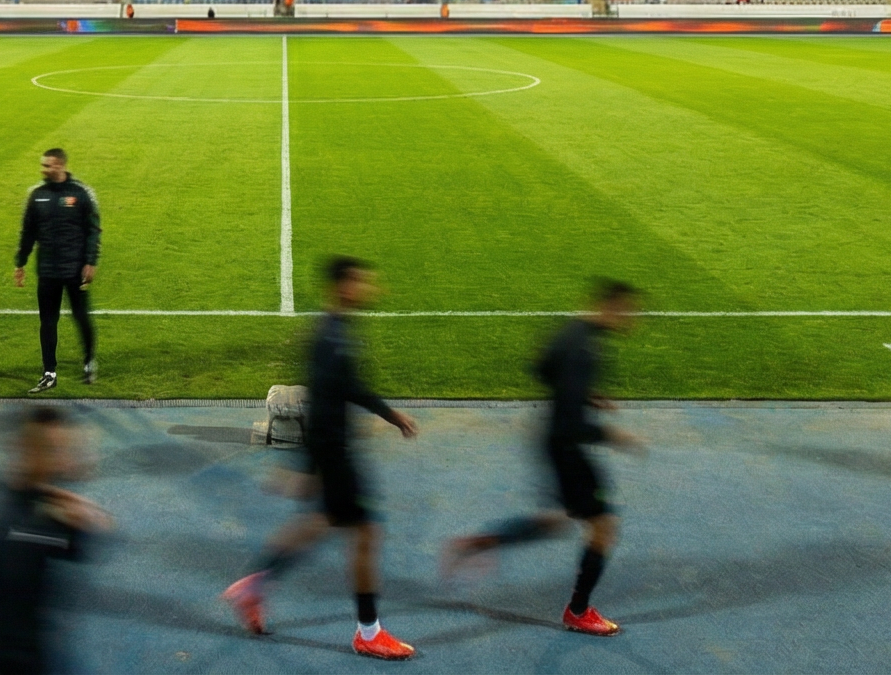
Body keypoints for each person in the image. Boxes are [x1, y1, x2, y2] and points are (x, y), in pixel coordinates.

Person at [224, 255, 422, 661]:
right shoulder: (331, 336)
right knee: (365, 533)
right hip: (337, 451)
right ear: (344, 286)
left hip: (333, 452)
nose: (371, 290)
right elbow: (329, 399)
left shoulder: (337, 330)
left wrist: (387, 416)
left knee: (321, 523)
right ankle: (368, 633)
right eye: (364, 283)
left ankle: (252, 586)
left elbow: (346, 387)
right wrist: (320, 463)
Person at [442, 280, 643, 636]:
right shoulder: (588, 348)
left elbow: (541, 367)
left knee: (557, 520)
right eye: (629, 311)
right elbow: (573, 421)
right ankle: (578, 611)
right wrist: (612, 435)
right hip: (567, 445)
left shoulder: (568, 331)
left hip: (552, 439)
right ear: (612, 306)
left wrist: (582, 393)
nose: (632, 320)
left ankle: (480, 541)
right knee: (603, 526)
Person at [0, 406, 113, 674]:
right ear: (30, 452)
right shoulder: (26, 528)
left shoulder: (28, 503)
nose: (67, 458)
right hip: (12, 660)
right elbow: (78, 547)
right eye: (57, 450)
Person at [13, 147, 101, 394]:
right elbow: (28, 231)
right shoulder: (37, 195)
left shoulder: (82, 193)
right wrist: (20, 262)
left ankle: (89, 361)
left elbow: (93, 230)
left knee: (81, 316)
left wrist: (91, 261)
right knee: (48, 321)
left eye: (48, 165)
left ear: (61, 166)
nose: (44, 169)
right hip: (48, 270)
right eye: (43, 165)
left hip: (75, 270)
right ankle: (49, 372)